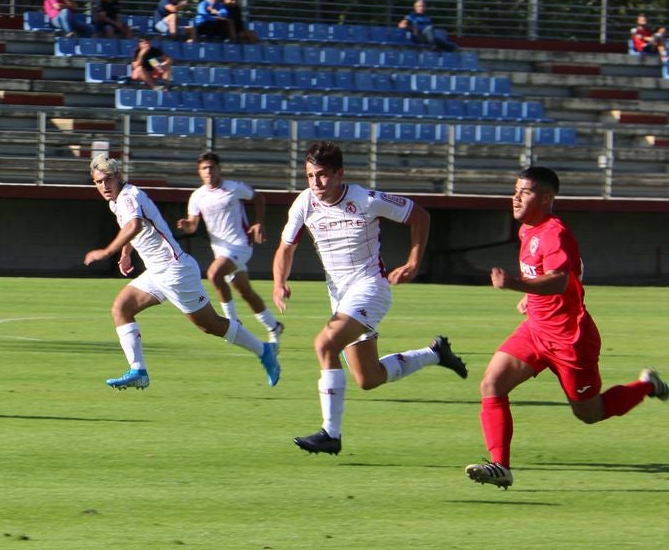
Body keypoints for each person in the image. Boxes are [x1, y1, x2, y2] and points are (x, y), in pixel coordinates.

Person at [465, 167, 667, 489]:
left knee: (589, 412)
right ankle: (500, 466)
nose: (515, 197)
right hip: (535, 330)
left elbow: (559, 280)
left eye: (525, 192)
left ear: (546, 198)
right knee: (492, 384)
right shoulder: (528, 230)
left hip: (570, 339)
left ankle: (648, 386)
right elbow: (569, 274)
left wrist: (517, 285)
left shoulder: (554, 232)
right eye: (515, 190)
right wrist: (531, 297)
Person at [272, 141, 468, 455]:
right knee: (368, 378)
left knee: (324, 344)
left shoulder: (365, 199)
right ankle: (434, 354)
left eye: (321, 175)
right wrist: (279, 282)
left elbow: (420, 216)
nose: (315, 183)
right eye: (310, 176)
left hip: (370, 288)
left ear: (339, 174)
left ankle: (330, 434)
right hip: (340, 298)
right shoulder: (304, 203)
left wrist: (414, 262)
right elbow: (285, 248)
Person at [83, 156, 281, 391]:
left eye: (108, 180)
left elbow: (134, 225)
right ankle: (138, 371)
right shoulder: (117, 201)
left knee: (211, 326)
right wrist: (125, 254)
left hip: (175, 271)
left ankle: (264, 350)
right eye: (98, 182)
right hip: (156, 272)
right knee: (121, 308)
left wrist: (108, 251)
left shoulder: (128, 196)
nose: (104, 186)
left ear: (118, 177)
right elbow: (130, 227)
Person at [176, 152, 282, 340]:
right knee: (245, 292)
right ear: (199, 172)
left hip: (240, 245)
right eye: (204, 168)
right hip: (220, 250)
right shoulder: (197, 196)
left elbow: (258, 198)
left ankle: (232, 322)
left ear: (218, 169)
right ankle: (273, 326)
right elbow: (192, 225)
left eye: (211, 167)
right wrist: (187, 225)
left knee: (214, 274)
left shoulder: (233, 188)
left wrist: (259, 222)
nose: (208, 171)